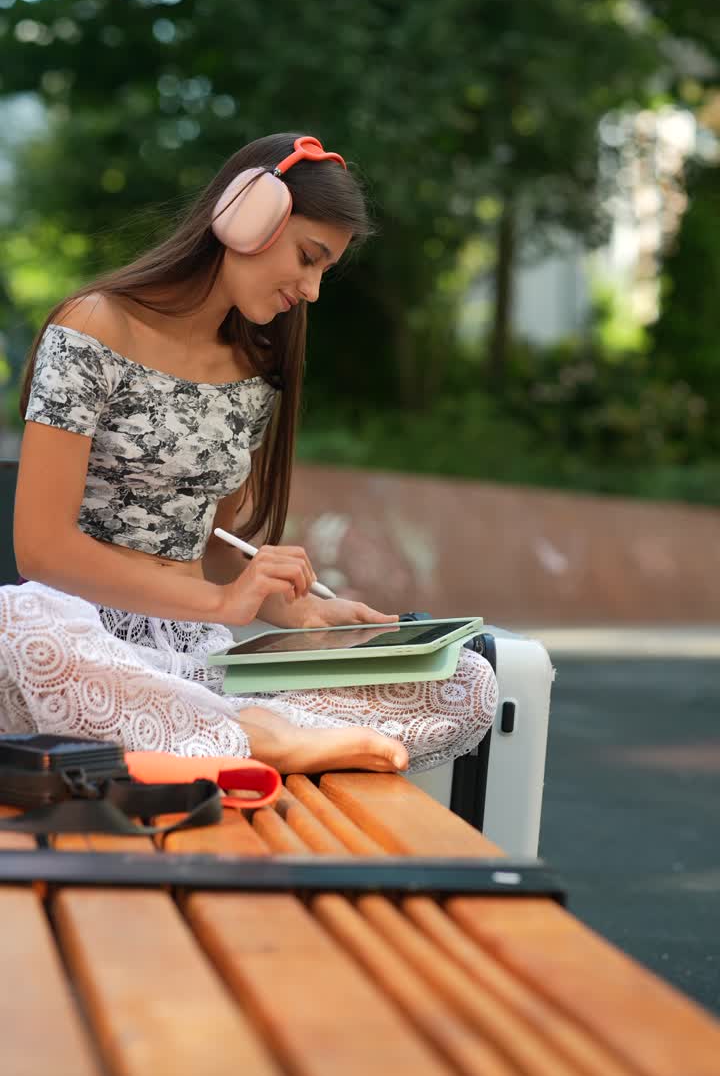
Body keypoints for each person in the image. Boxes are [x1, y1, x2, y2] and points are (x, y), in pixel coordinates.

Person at [1, 132, 497, 773]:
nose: (314, 289)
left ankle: (221, 732)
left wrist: (291, 609)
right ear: (245, 216)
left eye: (326, 270)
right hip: (80, 645)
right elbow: (39, 549)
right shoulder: (93, 326)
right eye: (309, 257)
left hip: (192, 664)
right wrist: (220, 603)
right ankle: (256, 738)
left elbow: (212, 544)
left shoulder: (255, 371)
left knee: (468, 683)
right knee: (16, 620)